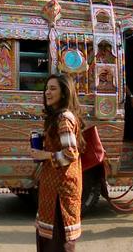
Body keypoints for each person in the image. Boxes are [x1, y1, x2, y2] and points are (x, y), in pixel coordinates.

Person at [31, 74, 85, 252]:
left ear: (64, 93)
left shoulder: (63, 119)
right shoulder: (58, 117)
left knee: (56, 244)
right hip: (53, 189)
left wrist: (44, 154)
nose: (47, 92)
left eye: (53, 88)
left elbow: (70, 153)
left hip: (60, 193)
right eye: (46, 88)